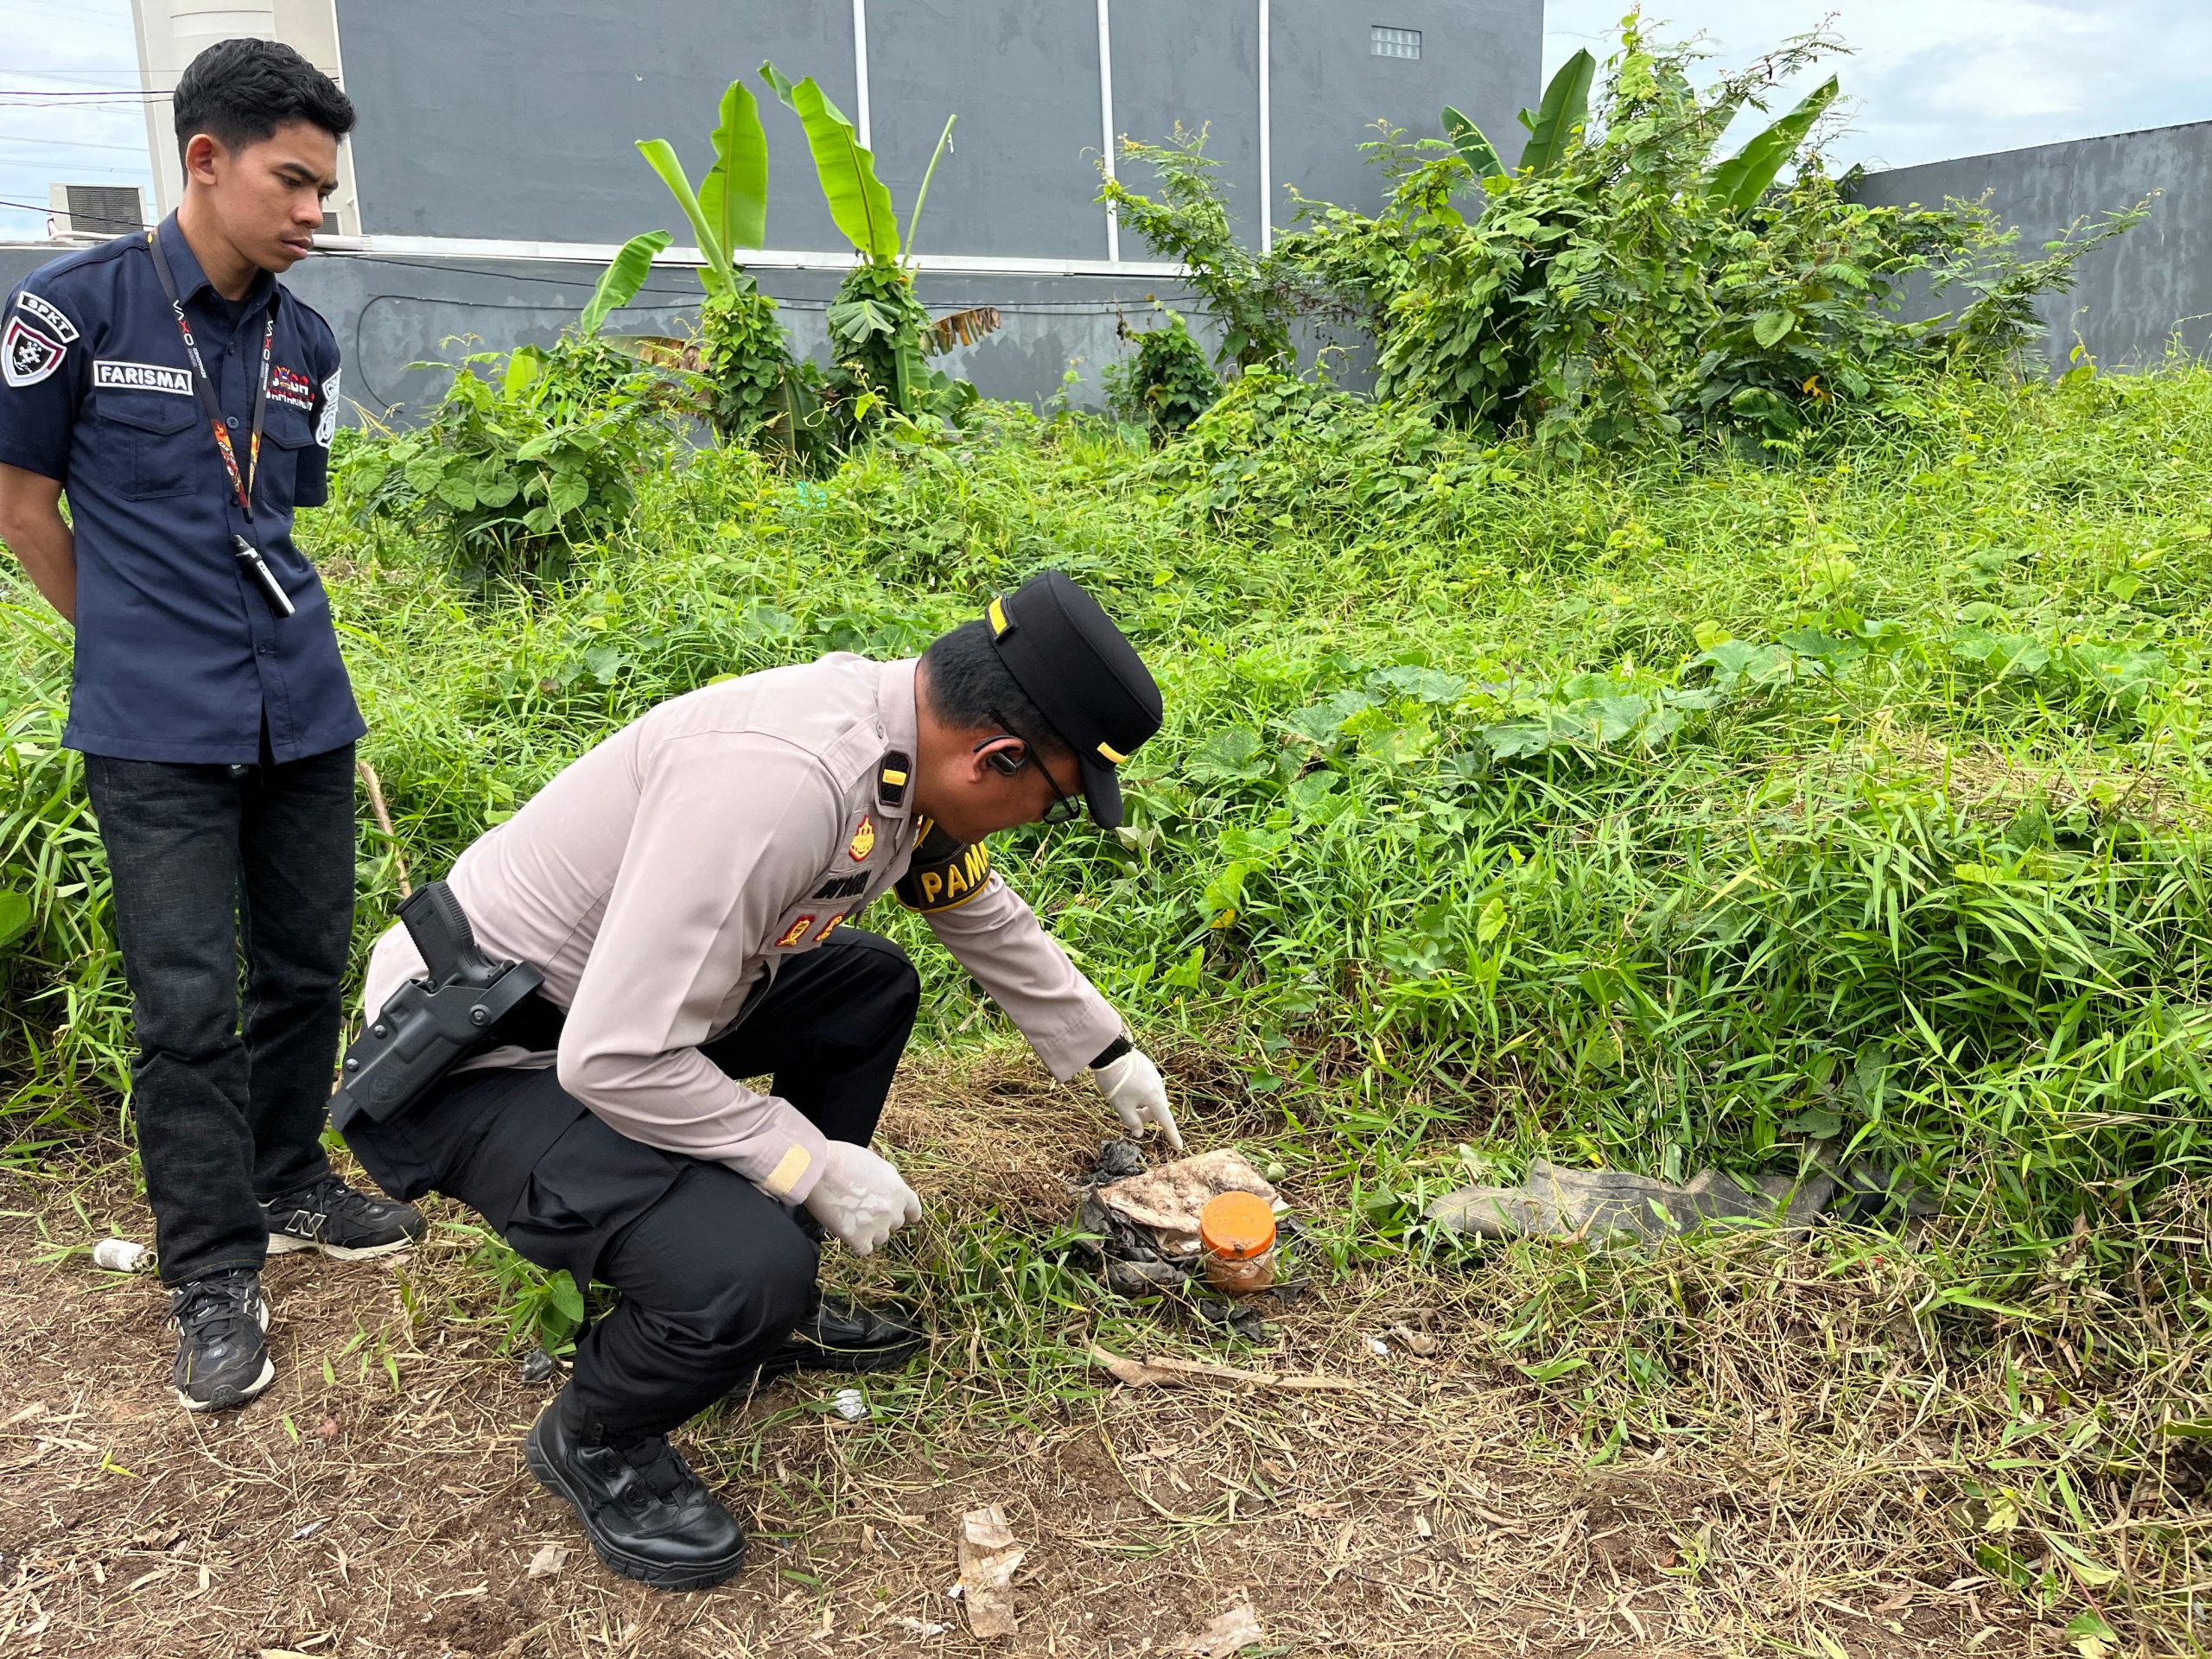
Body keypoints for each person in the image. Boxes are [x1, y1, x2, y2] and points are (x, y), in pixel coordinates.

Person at [339, 571, 1177, 1591]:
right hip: (479, 1058)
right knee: (743, 1268)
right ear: (995, 756)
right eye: (1041, 802)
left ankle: (761, 1319)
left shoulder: (906, 748)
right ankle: (602, 1435)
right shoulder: (782, 783)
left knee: (865, 986)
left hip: (616, 1015)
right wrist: (803, 1159)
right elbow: (609, 1056)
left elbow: (975, 909)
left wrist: (1105, 1050)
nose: (1023, 826)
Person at [0, 40, 423, 1414]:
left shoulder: (306, 339)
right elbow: (20, 511)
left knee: (304, 971)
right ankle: (209, 1268)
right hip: (155, 732)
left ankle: (291, 1175)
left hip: (302, 706)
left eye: (324, 188)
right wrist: (127, 644)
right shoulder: (72, 311)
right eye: (293, 183)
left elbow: (279, 512)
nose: (315, 213)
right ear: (205, 160)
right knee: (186, 1007)